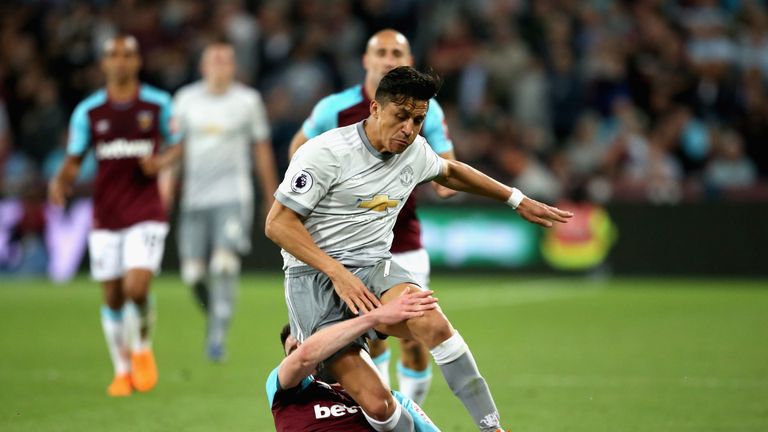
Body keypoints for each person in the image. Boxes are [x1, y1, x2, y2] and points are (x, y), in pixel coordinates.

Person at [266, 66, 572, 431]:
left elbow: (450, 172)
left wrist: (515, 199)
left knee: (435, 325)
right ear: (375, 109)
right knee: (379, 406)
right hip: (314, 279)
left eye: (418, 119)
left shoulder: (413, 152)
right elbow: (277, 224)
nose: (408, 129)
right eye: (401, 116)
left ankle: (492, 428)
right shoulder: (325, 153)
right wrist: (337, 272)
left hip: (373, 266)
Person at [288, 28, 456, 405]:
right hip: (346, 248)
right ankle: (377, 412)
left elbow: (447, 165)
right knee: (368, 340)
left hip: (405, 240)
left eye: (396, 52)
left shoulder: (425, 108)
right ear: (366, 60)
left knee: (415, 340)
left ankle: (412, 411)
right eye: (380, 51)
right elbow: (298, 150)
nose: (388, 58)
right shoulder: (334, 108)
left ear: (408, 61)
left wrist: (447, 181)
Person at [48, 35, 180, 397]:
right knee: (112, 297)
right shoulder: (89, 112)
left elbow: (178, 144)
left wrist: (161, 161)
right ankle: (122, 371)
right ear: (103, 63)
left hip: (146, 210)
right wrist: (60, 182)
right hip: (106, 213)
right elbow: (75, 159)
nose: (120, 61)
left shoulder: (157, 104)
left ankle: (141, 349)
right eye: (113, 55)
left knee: (136, 288)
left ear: (138, 61)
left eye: (128, 55)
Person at [168, 41, 278, 361]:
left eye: (226, 60)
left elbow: (260, 149)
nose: (220, 65)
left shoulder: (247, 101)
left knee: (225, 264)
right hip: (194, 199)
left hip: (234, 196)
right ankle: (215, 308)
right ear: (203, 67)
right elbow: (177, 148)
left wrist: (271, 195)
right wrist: (166, 185)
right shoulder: (185, 100)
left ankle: (217, 339)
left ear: (234, 67)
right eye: (214, 59)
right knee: (192, 273)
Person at [267, 288, 441, 431]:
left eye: (305, 343)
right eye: (292, 351)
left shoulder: (392, 401)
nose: (300, 352)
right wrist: (376, 317)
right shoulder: (283, 393)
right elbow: (305, 356)